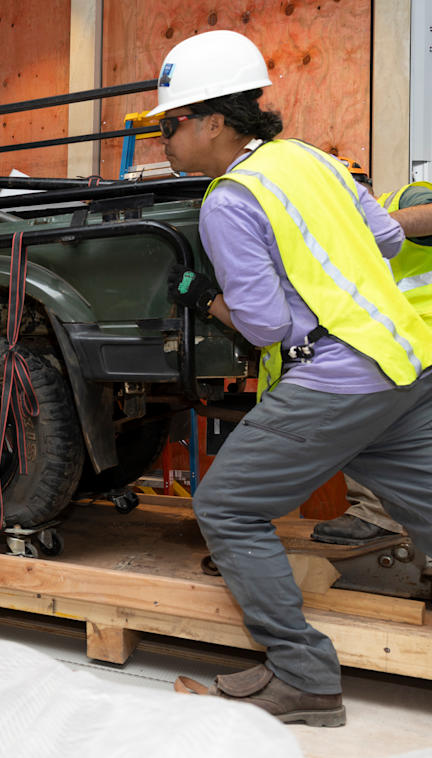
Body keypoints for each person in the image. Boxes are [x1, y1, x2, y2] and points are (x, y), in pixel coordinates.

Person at [152, 30, 432, 726]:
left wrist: (206, 298)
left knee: (227, 507)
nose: (164, 137)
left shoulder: (229, 200)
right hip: (406, 360)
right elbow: (387, 238)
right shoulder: (312, 160)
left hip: (338, 375)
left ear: (214, 120)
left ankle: (302, 675)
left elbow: (268, 327)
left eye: (171, 121)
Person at [311, 174, 432, 544]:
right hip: (392, 350)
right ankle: (377, 516)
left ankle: (380, 517)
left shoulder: (403, 198)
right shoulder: (327, 238)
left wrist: (374, 224)